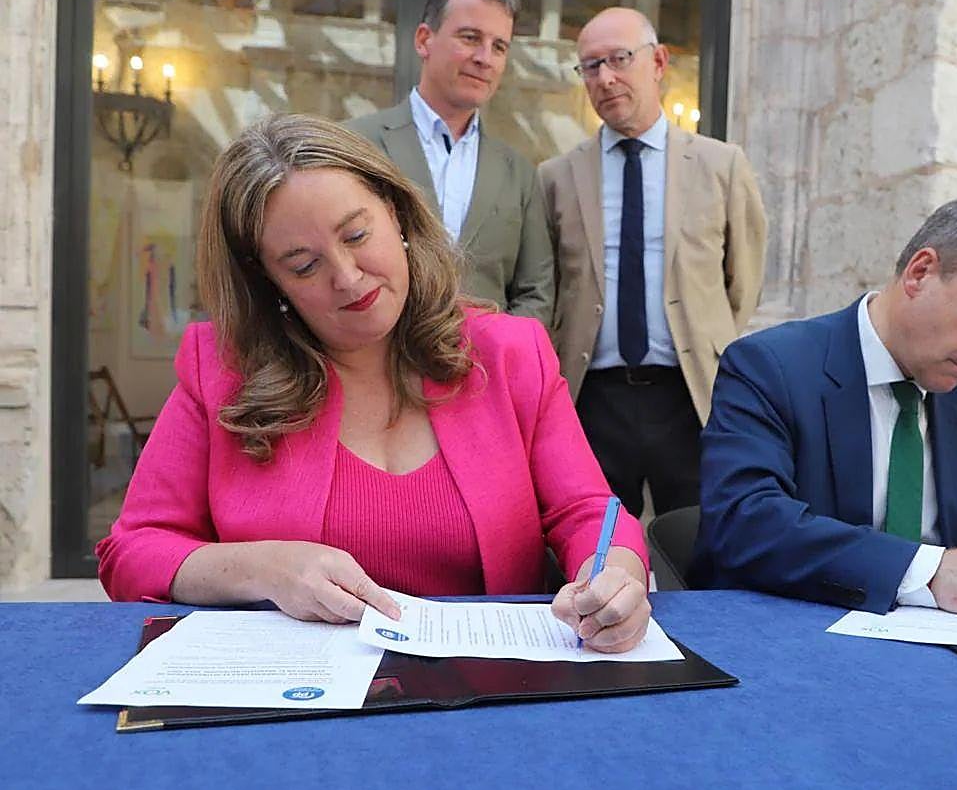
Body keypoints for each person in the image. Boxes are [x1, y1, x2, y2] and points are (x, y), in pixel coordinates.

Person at [97, 114, 650, 653]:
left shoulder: (510, 352)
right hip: (297, 695)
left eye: (357, 235)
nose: (347, 276)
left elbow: (588, 513)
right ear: (268, 280)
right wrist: (261, 568)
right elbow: (132, 551)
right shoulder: (222, 370)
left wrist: (615, 579)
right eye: (303, 265)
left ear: (396, 212)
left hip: (484, 685)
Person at [690, 198, 957, 616]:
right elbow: (745, 523)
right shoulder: (771, 367)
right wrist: (928, 573)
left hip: (939, 639)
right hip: (789, 629)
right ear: (920, 272)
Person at [539, 7, 766, 519]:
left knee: (697, 539)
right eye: (590, 66)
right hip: (592, 399)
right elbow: (549, 287)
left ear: (659, 62)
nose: (605, 78)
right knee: (595, 538)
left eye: (619, 59)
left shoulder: (721, 165)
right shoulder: (556, 177)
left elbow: (743, 282)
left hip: (690, 393)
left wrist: (705, 335)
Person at [345, 0, 554, 326]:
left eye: (499, 47)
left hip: (486, 358)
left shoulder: (518, 173)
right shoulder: (356, 145)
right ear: (424, 40)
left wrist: (496, 350)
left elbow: (537, 292)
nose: (485, 58)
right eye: (470, 38)